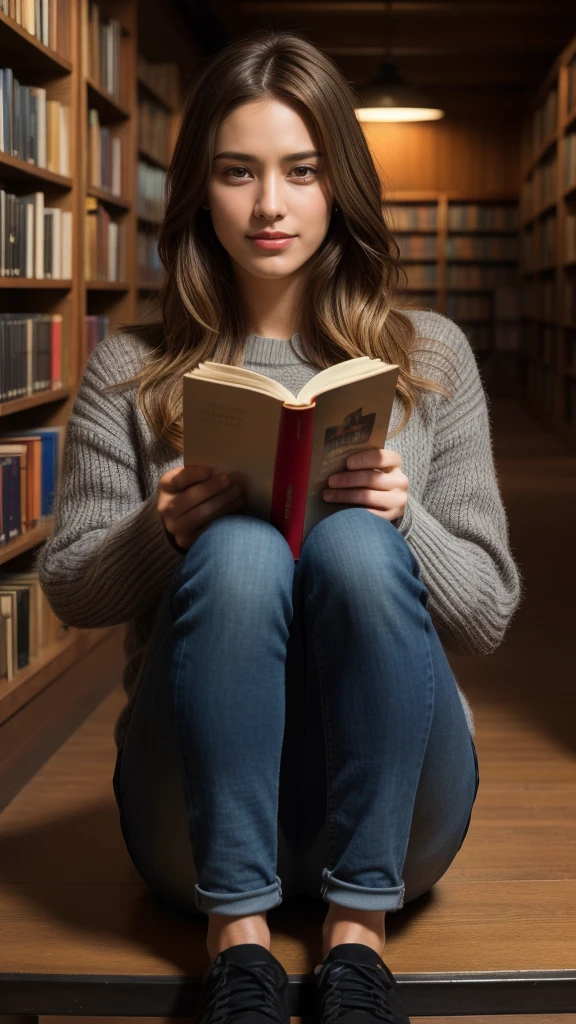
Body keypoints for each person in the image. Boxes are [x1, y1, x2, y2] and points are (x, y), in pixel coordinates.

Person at [35, 28, 524, 1024]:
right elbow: (72, 586)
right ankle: (240, 945)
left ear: (339, 181)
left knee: (354, 539)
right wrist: (160, 532)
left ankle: (358, 935)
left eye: (301, 171)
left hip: (400, 800)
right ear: (198, 193)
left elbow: (487, 615)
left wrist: (405, 518)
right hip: (194, 815)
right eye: (236, 172)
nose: (269, 206)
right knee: (242, 547)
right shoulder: (131, 370)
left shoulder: (431, 357)